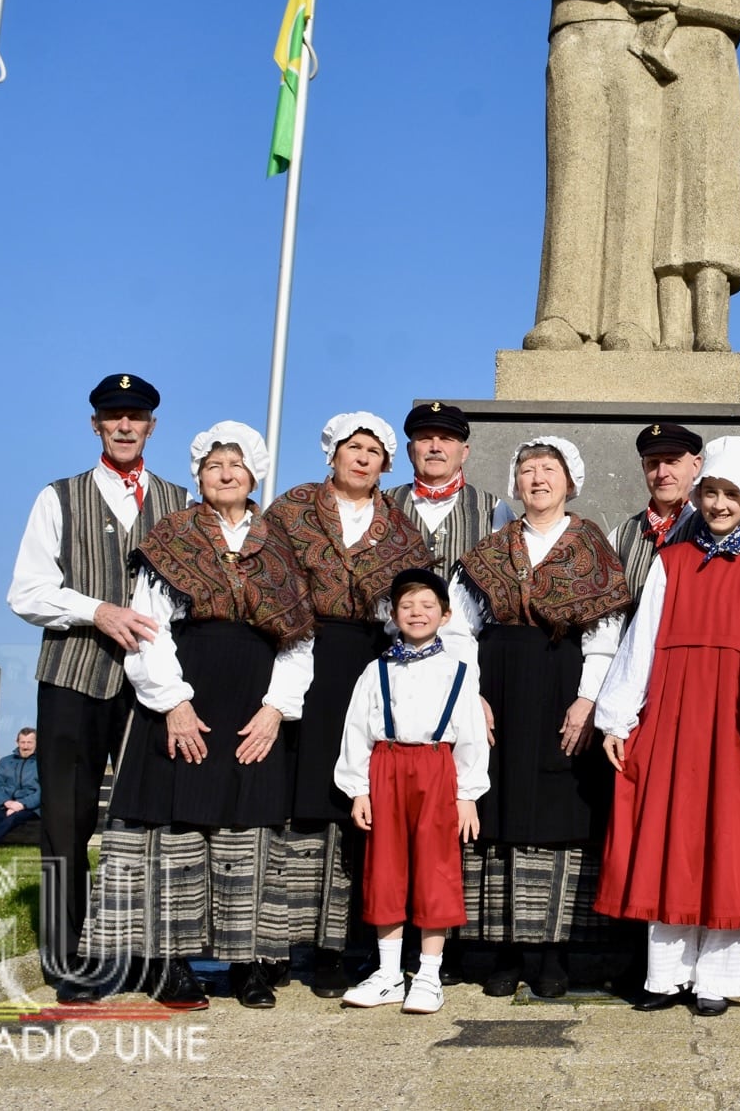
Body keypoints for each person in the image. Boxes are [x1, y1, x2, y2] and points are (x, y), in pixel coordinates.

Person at [594, 435, 740, 1015]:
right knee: (672, 837)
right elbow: (640, 642)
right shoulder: (669, 562)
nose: (720, 504)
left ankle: (718, 978)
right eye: (712, 493)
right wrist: (619, 717)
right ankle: (665, 974)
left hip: (739, 718)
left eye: (731, 495)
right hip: (675, 712)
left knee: (731, 840)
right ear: (698, 495)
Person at [88, 422, 316, 1011]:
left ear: (254, 475)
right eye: (214, 465)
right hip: (183, 700)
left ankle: (249, 966)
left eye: (236, 466)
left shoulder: (280, 545)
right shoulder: (172, 538)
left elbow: (297, 640)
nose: (225, 474)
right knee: (175, 830)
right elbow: (146, 627)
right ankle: (171, 964)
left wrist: (275, 711)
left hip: (253, 705)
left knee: (251, 834)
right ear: (198, 474)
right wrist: (174, 703)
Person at [6, 373, 188, 1001]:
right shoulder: (59, 497)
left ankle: (148, 953)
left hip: (150, 688)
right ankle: (68, 956)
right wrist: (98, 611)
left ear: (152, 426)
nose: (124, 425)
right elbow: (26, 592)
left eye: (135, 416)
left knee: (149, 822)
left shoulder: (179, 500)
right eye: (113, 415)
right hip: (73, 676)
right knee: (67, 817)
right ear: (96, 424)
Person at [446, 436, 630, 999]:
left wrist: (587, 699)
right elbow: (458, 626)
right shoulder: (490, 547)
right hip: (497, 686)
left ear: (570, 481)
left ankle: (553, 951)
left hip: (562, 686)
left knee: (558, 816)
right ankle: (502, 950)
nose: (537, 479)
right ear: (515, 482)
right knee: (497, 811)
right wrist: (470, 693)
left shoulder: (591, 546)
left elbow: (605, 634)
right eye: (527, 470)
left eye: (548, 470)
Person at [264, 411, 435, 998]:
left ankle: (337, 946)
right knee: (291, 803)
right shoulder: (289, 511)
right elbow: (264, 579)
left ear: (386, 464)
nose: (361, 458)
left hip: (366, 661)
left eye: (372, 452)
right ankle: (274, 947)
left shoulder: (403, 529)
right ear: (331, 454)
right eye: (350, 448)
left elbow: (414, 605)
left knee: (350, 805)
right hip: (296, 652)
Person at [526, 0, 663, 352]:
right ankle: (563, 315)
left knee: (638, 181)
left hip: (641, 41)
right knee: (576, 177)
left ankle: (632, 320)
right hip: (579, 30)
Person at [334, 570, 488, 1015]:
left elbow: (472, 736)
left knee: (435, 868)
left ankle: (427, 974)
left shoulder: (457, 671)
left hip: (437, 769)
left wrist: (468, 793)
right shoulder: (376, 669)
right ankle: (387, 974)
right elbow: (356, 731)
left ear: (444, 614)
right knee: (384, 867)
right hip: (386, 765)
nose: (416, 613)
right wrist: (359, 789)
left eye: (426, 606)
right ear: (392, 614)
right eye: (406, 606)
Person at [648, 0, 740, 353]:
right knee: (667, 206)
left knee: (711, 206)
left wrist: (678, 1)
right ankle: (668, 338)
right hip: (666, 73)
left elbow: (739, 10)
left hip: (711, 67)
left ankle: (710, 333)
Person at [383, 402, 513, 575]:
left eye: (446, 439)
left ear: (464, 452)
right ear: (409, 450)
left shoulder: (494, 510)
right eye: (425, 438)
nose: (435, 448)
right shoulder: (381, 504)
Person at [607, 422, 704, 603]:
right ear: (643, 467)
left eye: (672, 461)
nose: (662, 473)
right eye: (653, 463)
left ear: (696, 465)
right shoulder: (620, 537)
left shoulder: (713, 529)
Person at [0, 728, 41, 846]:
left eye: (29, 742)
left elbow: (43, 791)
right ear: (17, 742)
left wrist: (22, 804)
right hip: (6, 802)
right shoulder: (5, 762)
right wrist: (6, 802)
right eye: (22, 742)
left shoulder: (42, 763)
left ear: (36, 743)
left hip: (31, 806)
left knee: (12, 819)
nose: (26, 746)